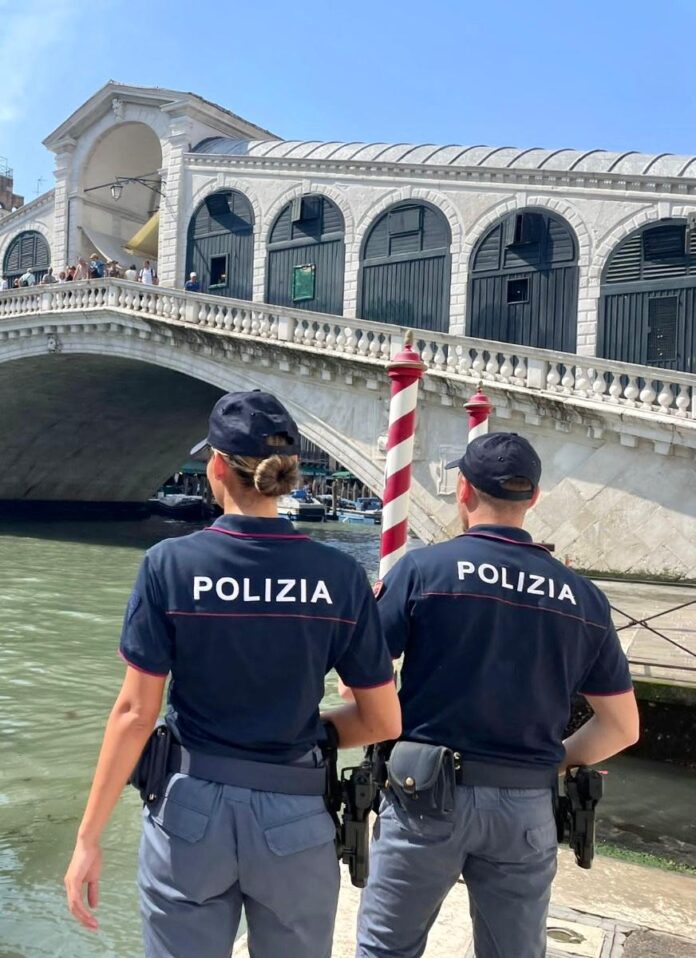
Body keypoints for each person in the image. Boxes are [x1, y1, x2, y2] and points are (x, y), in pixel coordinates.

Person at [64, 390, 401, 958]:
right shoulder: (340, 577)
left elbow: (135, 712)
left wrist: (87, 838)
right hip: (295, 815)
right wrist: (308, 729)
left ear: (216, 466)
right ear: (288, 475)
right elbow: (382, 720)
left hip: (191, 813)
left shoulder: (168, 565)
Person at [356, 432, 639, 958]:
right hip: (524, 806)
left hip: (424, 797)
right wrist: (551, 763)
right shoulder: (582, 597)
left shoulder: (424, 571)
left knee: (385, 950)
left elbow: (360, 671)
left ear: (462, 490)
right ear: (533, 498)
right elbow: (622, 726)